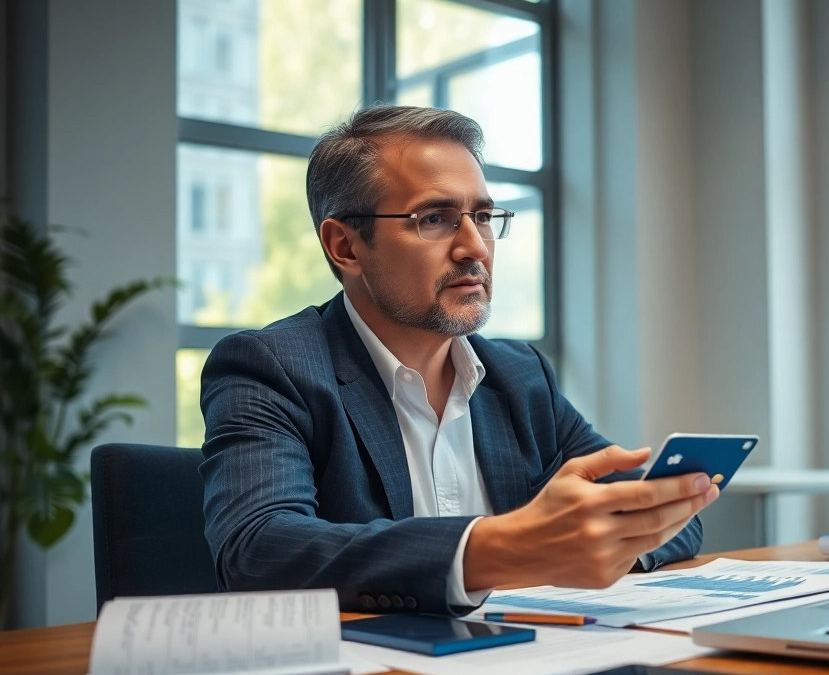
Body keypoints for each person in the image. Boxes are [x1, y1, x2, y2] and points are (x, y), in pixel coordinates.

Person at [200, 106, 715, 615]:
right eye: (435, 219)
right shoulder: (271, 367)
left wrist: (607, 536)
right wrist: (498, 549)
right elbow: (257, 550)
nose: (475, 247)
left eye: (484, 217)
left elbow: (666, 516)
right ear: (345, 246)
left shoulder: (520, 376)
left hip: (520, 670)